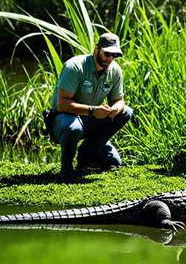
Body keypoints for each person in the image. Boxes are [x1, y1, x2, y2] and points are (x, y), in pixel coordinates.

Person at [49, 32, 133, 177]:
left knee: (126, 112)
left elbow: (119, 100)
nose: (111, 59)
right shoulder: (74, 66)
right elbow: (62, 104)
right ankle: (67, 166)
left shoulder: (115, 70)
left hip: (91, 119)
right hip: (64, 119)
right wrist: (93, 110)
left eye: (115, 55)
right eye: (107, 54)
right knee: (73, 127)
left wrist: (115, 109)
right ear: (96, 49)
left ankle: (86, 155)